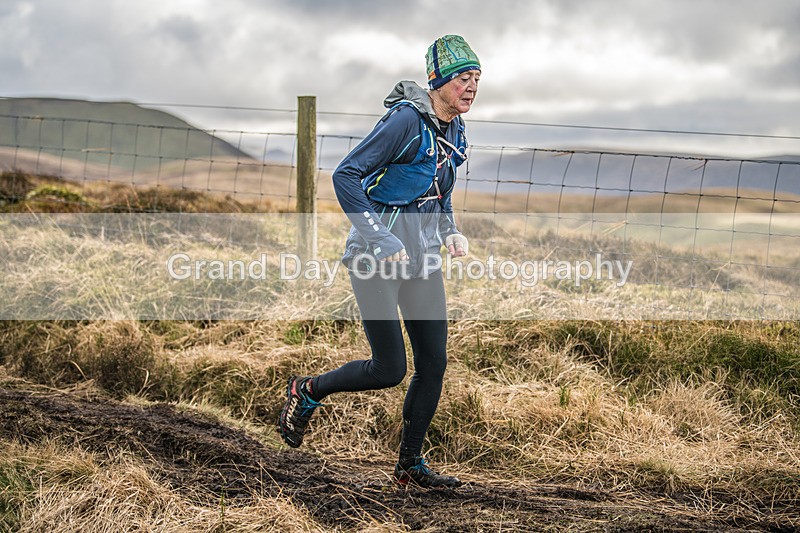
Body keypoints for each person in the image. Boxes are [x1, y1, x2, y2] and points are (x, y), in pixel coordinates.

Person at [278, 35, 480, 488]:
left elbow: (440, 191)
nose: (471, 87)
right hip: (374, 259)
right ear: (438, 81)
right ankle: (306, 390)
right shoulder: (405, 121)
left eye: (477, 79)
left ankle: (410, 467)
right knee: (389, 369)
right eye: (463, 78)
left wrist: (450, 231)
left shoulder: (456, 129)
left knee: (433, 365)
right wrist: (381, 237)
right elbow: (345, 174)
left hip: (423, 261)